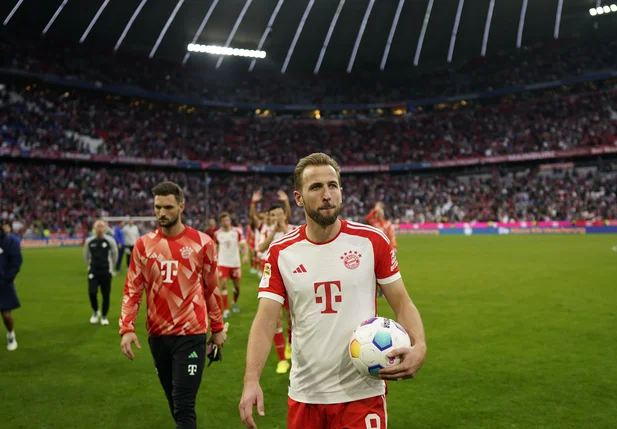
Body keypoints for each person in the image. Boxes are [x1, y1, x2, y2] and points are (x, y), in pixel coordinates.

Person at [239, 153, 427, 429]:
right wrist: (251, 380)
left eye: (332, 185)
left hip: (363, 392)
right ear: (299, 197)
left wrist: (420, 345)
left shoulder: (371, 241)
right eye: (316, 187)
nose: (326, 194)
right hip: (306, 393)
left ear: (341, 191)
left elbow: (402, 303)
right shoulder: (281, 252)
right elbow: (266, 321)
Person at [119, 181, 226, 429]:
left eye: (167, 207)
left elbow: (212, 289)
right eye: (157, 207)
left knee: (184, 404)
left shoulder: (202, 243)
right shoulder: (143, 245)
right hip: (157, 335)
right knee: (174, 403)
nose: (161, 213)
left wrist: (218, 327)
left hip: (191, 334)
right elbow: (132, 289)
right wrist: (127, 328)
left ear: (181, 207)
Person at [257, 203, 298, 375]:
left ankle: (290, 345)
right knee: (276, 319)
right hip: (273, 279)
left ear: (285, 215)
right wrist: (274, 232)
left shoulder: (295, 230)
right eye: (273, 215)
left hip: (293, 278)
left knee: (292, 318)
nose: (277, 218)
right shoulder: (266, 232)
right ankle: (282, 359)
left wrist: (284, 230)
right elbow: (260, 248)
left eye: (280, 214)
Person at [213, 212, 249, 319]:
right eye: (224, 221)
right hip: (223, 262)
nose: (226, 222)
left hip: (235, 263)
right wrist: (214, 260)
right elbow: (215, 248)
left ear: (230, 221)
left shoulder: (237, 231)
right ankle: (226, 310)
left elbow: (243, 244)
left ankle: (234, 301)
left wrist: (246, 254)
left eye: (227, 220)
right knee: (223, 284)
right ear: (221, 222)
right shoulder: (217, 234)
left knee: (237, 288)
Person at [84, 220, 119, 326]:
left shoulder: (110, 240)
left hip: (106, 272)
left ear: (105, 228)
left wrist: (110, 267)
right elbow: (86, 256)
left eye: (101, 226)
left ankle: (104, 316)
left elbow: (115, 254)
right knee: (92, 293)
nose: (99, 228)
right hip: (93, 271)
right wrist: (90, 265)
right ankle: (95, 312)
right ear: (94, 228)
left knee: (106, 295)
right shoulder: (89, 241)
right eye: (97, 226)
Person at [0, 224, 23, 351]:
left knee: (6, 315)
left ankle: (10, 333)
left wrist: (9, 276)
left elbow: (17, 260)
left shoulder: (8, 241)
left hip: (3, 283)